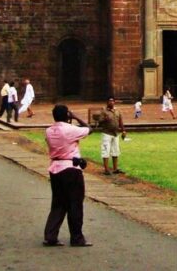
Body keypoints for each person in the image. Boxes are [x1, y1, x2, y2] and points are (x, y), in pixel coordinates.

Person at [43, 104, 92, 247]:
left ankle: (50, 236)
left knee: (58, 204)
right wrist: (76, 117)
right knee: (75, 204)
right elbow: (90, 129)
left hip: (55, 168)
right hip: (71, 169)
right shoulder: (69, 130)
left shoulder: (49, 131)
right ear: (67, 115)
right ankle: (77, 238)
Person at [94, 97, 126, 174]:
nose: (111, 103)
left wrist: (123, 130)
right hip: (106, 133)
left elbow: (120, 121)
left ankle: (115, 168)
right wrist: (104, 119)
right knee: (106, 150)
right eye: (110, 101)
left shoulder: (117, 111)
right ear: (107, 103)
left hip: (115, 134)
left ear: (114, 102)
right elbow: (99, 122)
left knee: (115, 151)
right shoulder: (104, 112)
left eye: (112, 101)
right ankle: (106, 169)